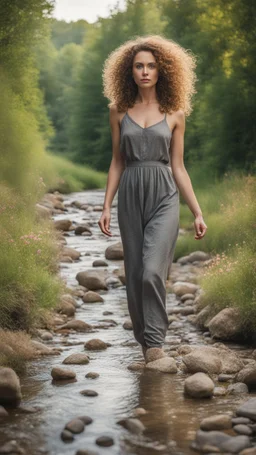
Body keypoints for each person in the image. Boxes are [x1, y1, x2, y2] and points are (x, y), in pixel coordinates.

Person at [98, 35, 207, 364]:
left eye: (151, 66)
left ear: (163, 71)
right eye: (138, 66)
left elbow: (179, 167)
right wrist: (106, 204)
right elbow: (117, 161)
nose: (145, 71)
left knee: (152, 272)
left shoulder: (175, 113)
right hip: (130, 193)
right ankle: (146, 342)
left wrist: (197, 212)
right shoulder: (118, 111)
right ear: (129, 72)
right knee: (134, 272)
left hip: (164, 194)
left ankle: (156, 339)